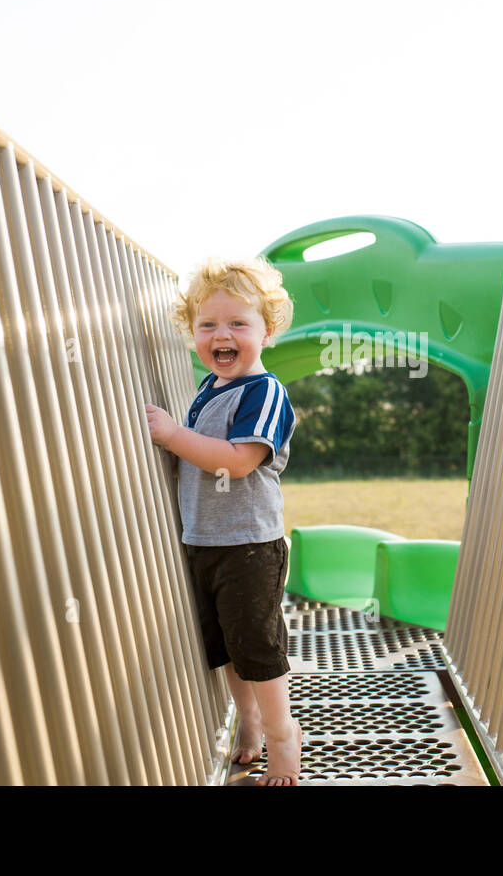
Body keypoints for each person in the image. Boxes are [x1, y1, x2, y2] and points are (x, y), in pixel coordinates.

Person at [145, 255, 302, 786]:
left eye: (238, 322)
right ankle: (250, 724)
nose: (222, 334)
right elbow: (199, 456)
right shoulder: (207, 391)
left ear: (268, 331)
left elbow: (237, 460)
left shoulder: (264, 392)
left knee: (256, 647)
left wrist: (171, 436)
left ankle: (284, 741)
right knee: (227, 649)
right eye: (208, 324)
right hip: (204, 540)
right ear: (192, 333)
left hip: (249, 545)